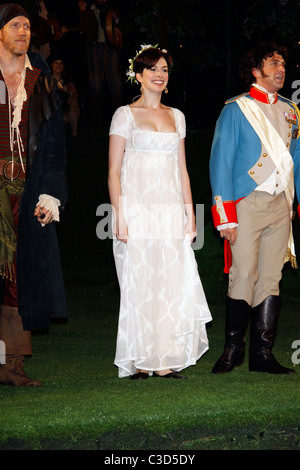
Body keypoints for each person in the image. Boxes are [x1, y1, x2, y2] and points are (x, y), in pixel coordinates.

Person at [108, 44, 212, 380]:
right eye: (152, 68)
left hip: (169, 211)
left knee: (170, 281)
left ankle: (164, 359)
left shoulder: (177, 116)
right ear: (138, 76)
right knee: (139, 281)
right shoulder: (124, 115)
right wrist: (119, 215)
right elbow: (113, 171)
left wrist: (190, 214)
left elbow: (182, 169)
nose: (159, 74)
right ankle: (140, 359)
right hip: (137, 210)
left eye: (164, 69)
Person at [209, 41, 300, 375]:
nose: (281, 68)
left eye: (284, 63)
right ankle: (232, 351)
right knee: (244, 274)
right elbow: (220, 163)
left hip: (281, 206)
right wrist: (224, 217)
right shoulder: (236, 109)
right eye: (273, 62)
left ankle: (263, 354)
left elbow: (297, 163)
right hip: (246, 205)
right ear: (255, 69)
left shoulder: (292, 111)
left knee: (271, 278)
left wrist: (296, 205)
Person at [0, 3, 68, 387]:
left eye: (27, 26)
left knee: (18, 279)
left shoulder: (41, 81)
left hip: (26, 191)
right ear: (0, 32)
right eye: (15, 25)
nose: (23, 31)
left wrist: (50, 195)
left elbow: (56, 145)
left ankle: (11, 366)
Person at [48, 52, 80, 138]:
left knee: (73, 102)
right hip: (52, 109)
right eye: (56, 63)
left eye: (61, 63)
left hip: (66, 108)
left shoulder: (66, 80)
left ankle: (74, 131)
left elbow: (74, 95)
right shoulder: (48, 80)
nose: (59, 66)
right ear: (51, 65)